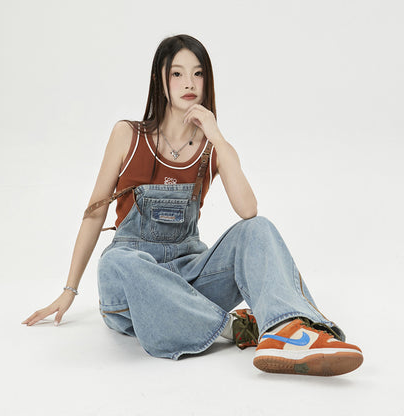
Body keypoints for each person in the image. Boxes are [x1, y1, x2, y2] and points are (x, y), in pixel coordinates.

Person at [22, 34, 363, 376]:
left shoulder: (213, 147)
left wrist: (217, 136)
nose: (189, 83)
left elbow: (248, 211)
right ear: (160, 80)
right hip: (133, 287)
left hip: (189, 278)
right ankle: (236, 328)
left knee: (258, 228)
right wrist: (69, 291)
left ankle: (289, 330)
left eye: (198, 74)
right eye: (177, 74)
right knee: (118, 261)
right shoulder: (127, 134)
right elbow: (95, 213)